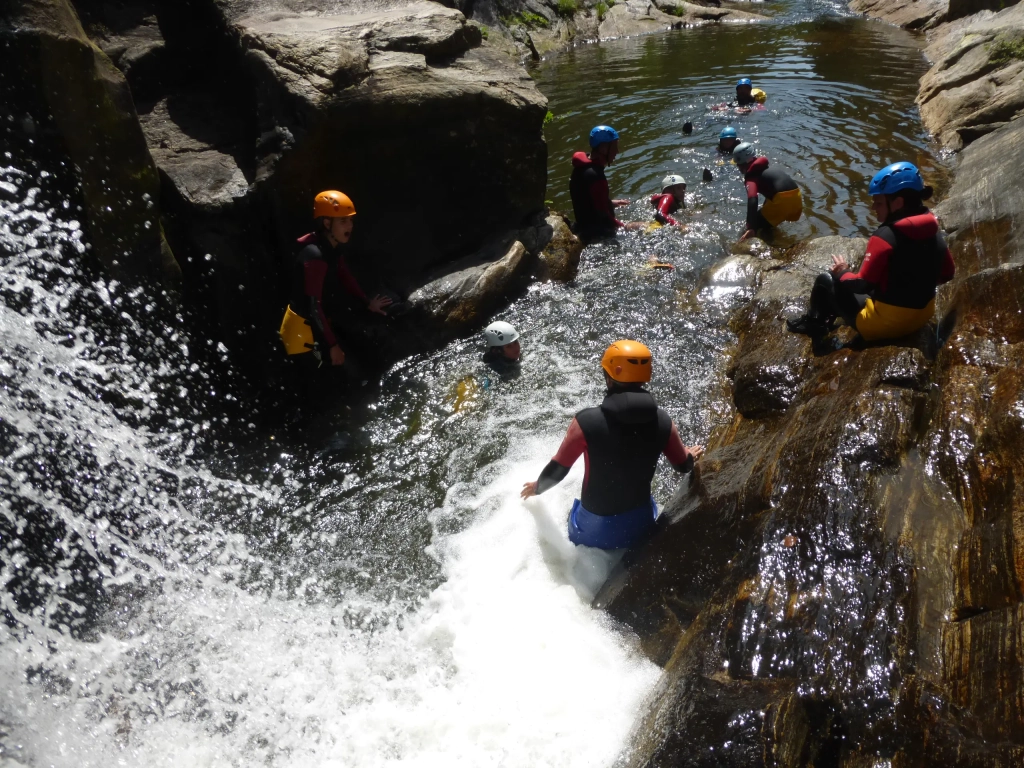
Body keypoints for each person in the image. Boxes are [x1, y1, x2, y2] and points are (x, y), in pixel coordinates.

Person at [520, 340, 704, 550]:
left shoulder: (585, 423)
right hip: (639, 528)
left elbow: (559, 469)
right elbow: (683, 466)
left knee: (572, 512)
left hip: (590, 534)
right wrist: (689, 454)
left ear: (609, 376)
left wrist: (538, 487)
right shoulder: (664, 422)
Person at [787, 161, 955, 341]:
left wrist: (842, 271)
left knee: (825, 280)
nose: (873, 208)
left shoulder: (884, 236)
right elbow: (948, 273)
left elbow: (861, 284)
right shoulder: (932, 229)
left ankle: (815, 323)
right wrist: (914, 285)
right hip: (923, 316)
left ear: (898, 203)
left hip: (885, 327)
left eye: (879, 203)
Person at [278, 190, 394, 369]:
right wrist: (332, 346)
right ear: (327, 223)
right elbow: (313, 307)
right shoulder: (315, 256)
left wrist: (367, 303)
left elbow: (345, 276)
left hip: (318, 325)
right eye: (343, 221)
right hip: (301, 338)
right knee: (335, 385)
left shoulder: (331, 247)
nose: (350, 226)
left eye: (350, 220)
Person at [569, 125, 643, 241]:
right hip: (598, 234)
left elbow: (586, 201)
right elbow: (604, 217)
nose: (617, 151)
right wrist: (625, 227)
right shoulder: (596, 176)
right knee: (645, 227)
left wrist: (611, 202)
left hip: (584, 226)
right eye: (614, 147)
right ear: (604, 148)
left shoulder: (581, 168)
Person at [733, 143, 803, 241]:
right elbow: (772, 191)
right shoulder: (767, 168)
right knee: (765, 221)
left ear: (741, 163)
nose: (737, 166)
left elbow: (752, 199)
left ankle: (769, 248)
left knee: (754, 227)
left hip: (782, 202)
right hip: (797, 198)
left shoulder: (751, 177)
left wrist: (751, 226)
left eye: (737, 164)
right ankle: (776, 239)